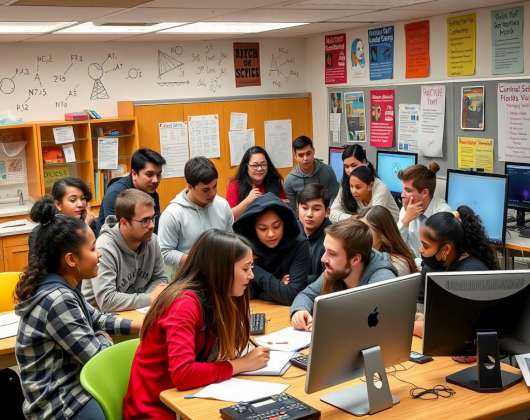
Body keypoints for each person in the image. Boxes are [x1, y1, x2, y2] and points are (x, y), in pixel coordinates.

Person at [15, 198, 141, 420]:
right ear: (71, 260)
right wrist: (102, 337)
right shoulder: (57, 299)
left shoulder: (64, 286)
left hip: (72, 386)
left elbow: (96, 318)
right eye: (92, 248)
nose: (99, 254)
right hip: (61, 405)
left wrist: (138, 324)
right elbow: (98, 358)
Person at [123, 230, 270, 420]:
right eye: (245, 268)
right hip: (154, 410)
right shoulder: (184, 304)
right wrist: (240, 365)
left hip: (186, 399)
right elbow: (183, 374)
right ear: (220, 270)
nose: (251, 276)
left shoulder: (216, 297)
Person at [290, 219, 397, 331]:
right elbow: (307, 295)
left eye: (332, 254)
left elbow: (374, 323)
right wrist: (300, 311)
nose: (323, 258)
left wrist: (327, 326)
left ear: (355, 259)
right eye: (325, 250)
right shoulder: (336, 270)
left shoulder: (383, 280)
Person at [413, 206, 498, 341]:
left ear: (446, 249)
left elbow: (462, 333)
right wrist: (424, 318)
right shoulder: (433, 267)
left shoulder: (471, 274)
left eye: (426, 246)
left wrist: (422, 327)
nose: (420, 250)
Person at [82, 189, 168, 312]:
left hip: (136, 312)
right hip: (102, 318)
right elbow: (106, 301)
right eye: (144, 220)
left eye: (152, 218)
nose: (152, 225)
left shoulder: (152, 240)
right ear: (124, 222)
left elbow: (160, 279)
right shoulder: (105, 248)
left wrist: (148, 299)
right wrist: (149, 298)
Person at [158, 157, 233, 273]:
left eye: (215, 186)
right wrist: (198, 262)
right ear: (189, 186)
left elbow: (230, 238)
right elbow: (164, 252)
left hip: (220, 273)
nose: (213, 193)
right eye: (205, 190)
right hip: (189, 277)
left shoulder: (222, 205)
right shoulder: (172, 214)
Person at [233, 193, 310, 305]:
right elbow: (245, 292)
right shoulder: (246, 247)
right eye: (263, 228)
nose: (271, 234)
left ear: (284, 223)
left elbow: (292, 295)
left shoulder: (299, 245)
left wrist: (252, 268)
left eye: (276, 226)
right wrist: (277, 286)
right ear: (254, 229)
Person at [95, 148, 166, 235]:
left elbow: (155, 229)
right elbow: (116, 234)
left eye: (158, 175)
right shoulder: (116, 194)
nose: (155, 180)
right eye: (149, 175)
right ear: (134, 173)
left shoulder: (151, 192)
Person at [397, 162, 451, 257]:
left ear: (425, 193)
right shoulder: (407, 209)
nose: (402, 195)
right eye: (403, 190)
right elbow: (397, 246)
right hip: (414, 262)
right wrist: (405, 221)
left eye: (408, 190)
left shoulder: (443, 215)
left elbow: (439, 258)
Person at [226, 146, 286, 220]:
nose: (260, 168)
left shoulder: (275, 182)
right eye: (255, 165)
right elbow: (229, 217)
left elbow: (285, 209)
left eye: (263, 164)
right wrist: (247, 201)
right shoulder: (235, 185)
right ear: (246, 166)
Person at [284, 136, 339, 213]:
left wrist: (327, 212)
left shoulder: (327, 171)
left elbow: (335, 197)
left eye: (308, 153)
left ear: (314, 151)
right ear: (295, 156)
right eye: (301, 155)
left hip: (326, 215)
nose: (305, 158)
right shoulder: (289, 181)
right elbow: (293, 210)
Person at [357, 205, 417, 276]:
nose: (359, 235)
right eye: (358, 229)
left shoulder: (397, 265)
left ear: (382, 235)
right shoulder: (359, 256)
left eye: (366, 230)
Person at [330, 144, 375, 222]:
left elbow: (374, 221)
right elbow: (332, 213)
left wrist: (353, 219)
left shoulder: (378, 186)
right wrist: (351, 218)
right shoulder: (346, 182)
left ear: (364, 162)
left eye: (354, 165)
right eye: (346, 167)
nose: (350, 171)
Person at [297, 184, 332, 283]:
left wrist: (295, 280)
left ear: (327, 212)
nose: (309, 214)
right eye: (304, 208)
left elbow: (327, 278)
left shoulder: (333, 239)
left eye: (316, 209)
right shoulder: (291, 231)